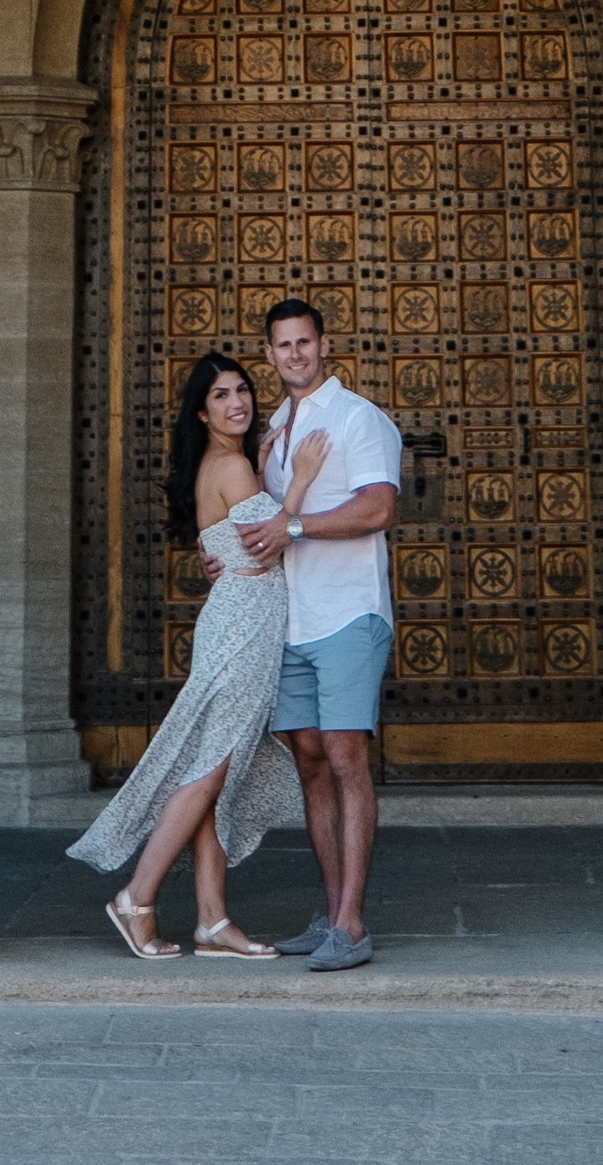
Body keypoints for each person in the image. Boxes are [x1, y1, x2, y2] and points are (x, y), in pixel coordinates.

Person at [67, 349, 329, 958]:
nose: (237, 402)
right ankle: (137, 896)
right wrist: (302, 482)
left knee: (214, 768)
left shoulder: (232, 462)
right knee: (212, 769)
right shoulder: (229, 465)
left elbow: (236, 546)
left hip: (241, 621)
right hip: (241, 629)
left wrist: (265, 475)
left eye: (242, 390)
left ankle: (212, 920)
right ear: (201, 411)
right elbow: (268, 547)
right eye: (221, 395)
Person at [237, 295, 402, 971]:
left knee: (343, 757)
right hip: (291, 618)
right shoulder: (273, 429)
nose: (294, 354)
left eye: (304, 342)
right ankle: (331, 912)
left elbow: (378, 506)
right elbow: (258, 516)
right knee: (308, 759)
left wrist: (293, 527)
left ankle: (354, 925)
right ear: (270, 355)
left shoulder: (359, 418)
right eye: (282, 346)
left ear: (324, 346)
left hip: (348, 613)